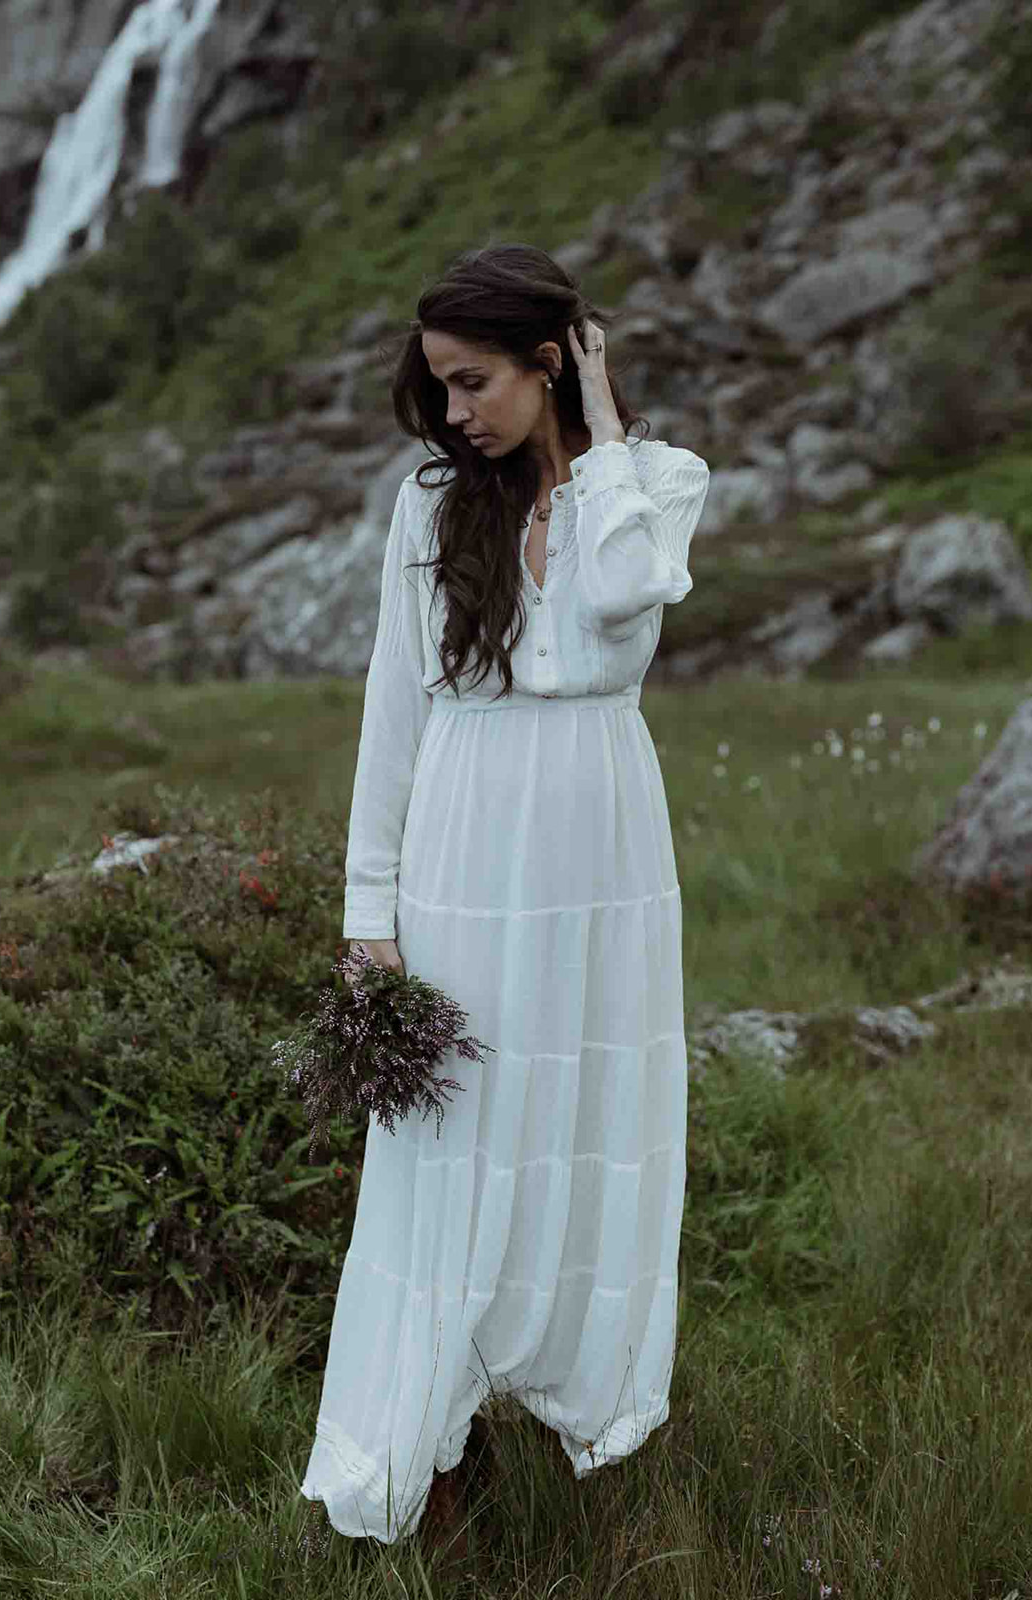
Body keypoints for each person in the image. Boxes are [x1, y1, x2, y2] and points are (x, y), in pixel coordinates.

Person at [299, 242, 711, 1548]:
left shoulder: (652, 490)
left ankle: (543, 1398)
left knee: (576, 1116)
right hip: (466, 853)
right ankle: (432, 1455)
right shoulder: (428, 509)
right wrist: (371, 918)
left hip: (601, 855)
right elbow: (390, 716)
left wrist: (602, 438)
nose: (458, 413)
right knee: (454, 1143)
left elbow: (621, 598)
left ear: (553, 363)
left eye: (476, 383)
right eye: (440, 389)